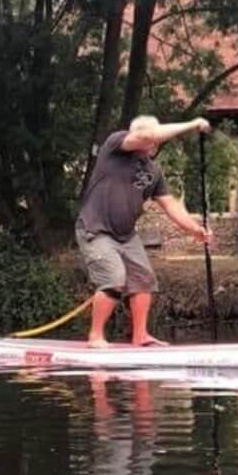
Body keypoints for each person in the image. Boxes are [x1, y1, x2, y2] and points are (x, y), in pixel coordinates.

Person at [76, 115, 214, 347]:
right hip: (95, 229)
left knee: (143, 279)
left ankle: (140, 336)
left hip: (126, 235)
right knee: (114, 278)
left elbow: (170, 204)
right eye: (150, 137)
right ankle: (95, 336)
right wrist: (192, 124)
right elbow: (147, 135)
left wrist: (195, 230)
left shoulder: (154, 171)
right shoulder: (115, 146)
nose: (154, 142)